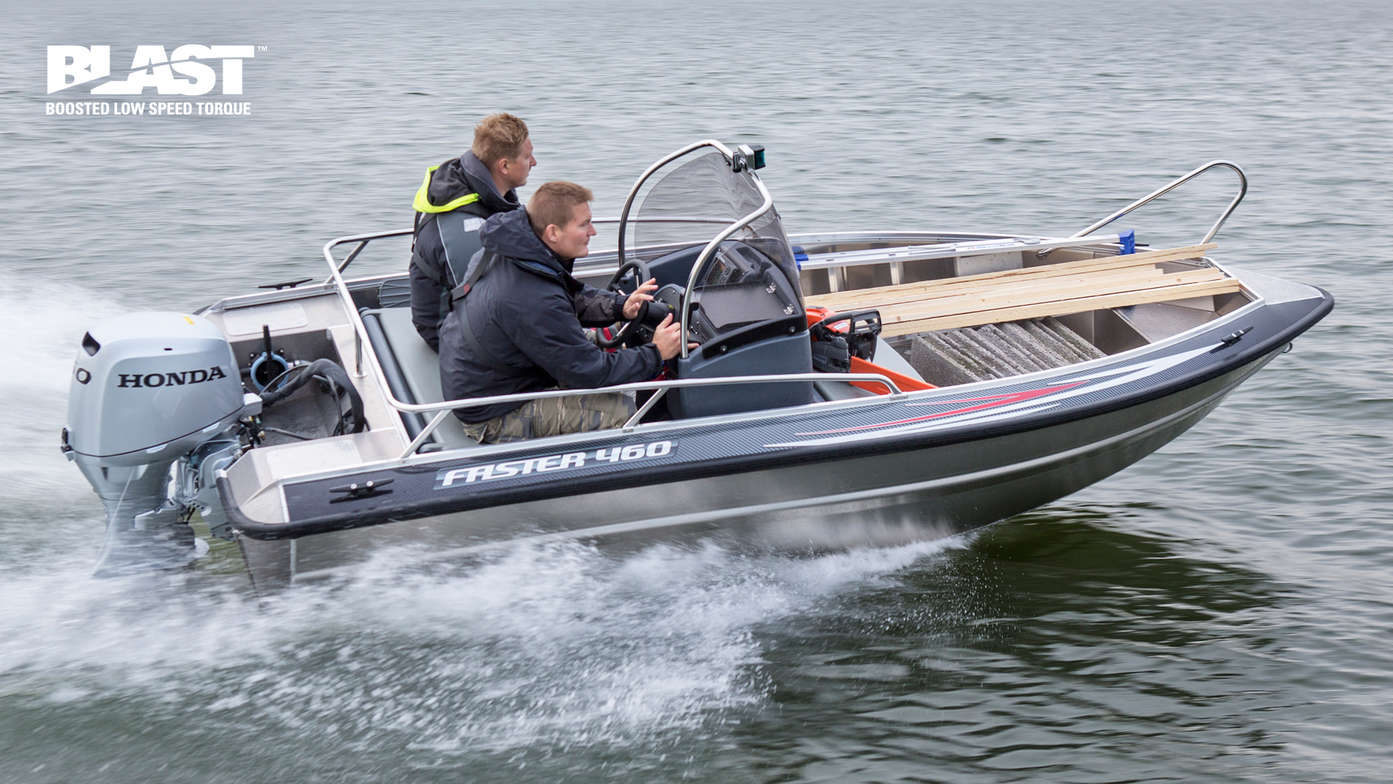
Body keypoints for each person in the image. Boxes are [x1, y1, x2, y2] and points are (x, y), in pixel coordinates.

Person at [438, 181, 684, 444]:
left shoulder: (515, 252)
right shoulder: (531, 297)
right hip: (494, 413)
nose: (594, 231)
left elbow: (567, 295)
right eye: (584, 224)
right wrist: (656, 353)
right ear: (553, 232)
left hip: (490, 374)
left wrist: (619, 306)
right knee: (622, 411)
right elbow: (590, 372)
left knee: (599, 341)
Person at [408, 112, 537, 351]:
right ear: (504, 166)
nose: (534, 163)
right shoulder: (464, 229)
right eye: (528, 157)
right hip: (448, 331)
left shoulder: (487, 193)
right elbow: (480, 307)